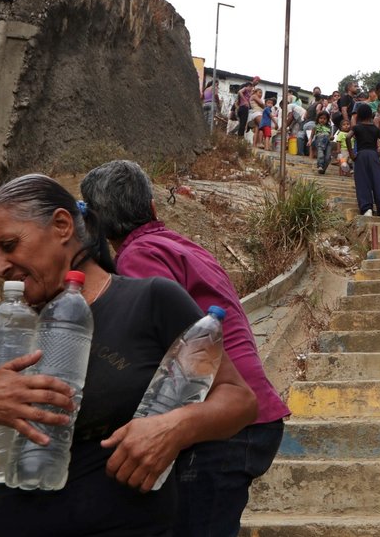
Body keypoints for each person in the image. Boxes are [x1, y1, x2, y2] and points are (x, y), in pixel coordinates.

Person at [0, 174, 257, 537]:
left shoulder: (149, 300)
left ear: (62, 225)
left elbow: (240, 400)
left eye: (9, 245)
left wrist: (174, 427)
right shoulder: (13, 325)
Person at [80, 161, 290, 537]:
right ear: (154, 208)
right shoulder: (178, 245)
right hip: (245, 419)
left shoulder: (138, 258)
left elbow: (154, 351)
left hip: (223, 423)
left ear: (93, 226)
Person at [347, 103, 380, 216]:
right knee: (377, 180)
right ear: (371, 115)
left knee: (362, 181)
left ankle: (367, 209)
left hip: (361, 155)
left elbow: (347, 137)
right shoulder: (375, 129)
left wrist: (351, 154)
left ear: (359, 115)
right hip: (373, 155)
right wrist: (378, 154)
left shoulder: (356, 127)